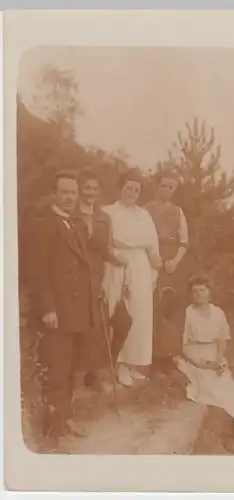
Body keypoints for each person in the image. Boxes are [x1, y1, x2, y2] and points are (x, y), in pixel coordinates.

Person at [26, 170, 94, 450]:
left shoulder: (74, 225)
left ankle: (65, 422)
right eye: (64, 192)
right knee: (55, 371)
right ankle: (52, 434)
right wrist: (47, 308)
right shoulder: (43, 225)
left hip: (76, 311)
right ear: (54, 194)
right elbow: (37, 271)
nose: (69, 197)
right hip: (57, 313)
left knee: (69, 370)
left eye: (73, 193)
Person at [101, 168, 162, 388]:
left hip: (141, 267)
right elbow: (108, 241)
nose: (132, 192)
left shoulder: (144, 215)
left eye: (137, 189)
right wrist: (125, 247)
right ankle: (119, 365)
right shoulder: (107, 212)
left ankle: (134, 364)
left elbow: (153, 245)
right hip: (118, 266)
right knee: (121, 316)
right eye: (129, 188)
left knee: (141, 317)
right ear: (121, 188)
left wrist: (154, 272)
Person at [173, 275, 234, 453]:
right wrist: (199, 363)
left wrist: (219, 359)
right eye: (195, 291)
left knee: (228, 386)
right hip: (194, 357)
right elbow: (183, 346)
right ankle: (230, 434)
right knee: (212, 390)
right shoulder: (187, 313)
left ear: (209, 292)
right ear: (191, 294)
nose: (198, 294)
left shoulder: (218, 312)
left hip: (215, 355)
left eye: (202, 290)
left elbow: (222, 339)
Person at [72, 168, 126, 391]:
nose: (91, 192)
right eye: (87, 188)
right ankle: (71, 376)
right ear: (79, 190)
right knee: (76, 324)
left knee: (97, 326)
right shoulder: (71, 214)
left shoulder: (104, 218)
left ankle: (92, 376)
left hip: (97, 276)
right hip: (74, 276)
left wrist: (105, 280)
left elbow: (107, 250)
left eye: (95, 188)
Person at [145, 170, 189, 373]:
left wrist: (175, 261)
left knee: (170, 308)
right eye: (164, 185)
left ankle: (169, 356)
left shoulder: (178, 211)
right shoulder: (146, 210)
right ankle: (152, 356)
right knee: (152, 306)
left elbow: (184, 241)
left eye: (172, 187)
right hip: (151, 260)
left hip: (172, 262)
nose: (168, 190)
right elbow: (142, 238)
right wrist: (154, 258)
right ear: (157, 186)